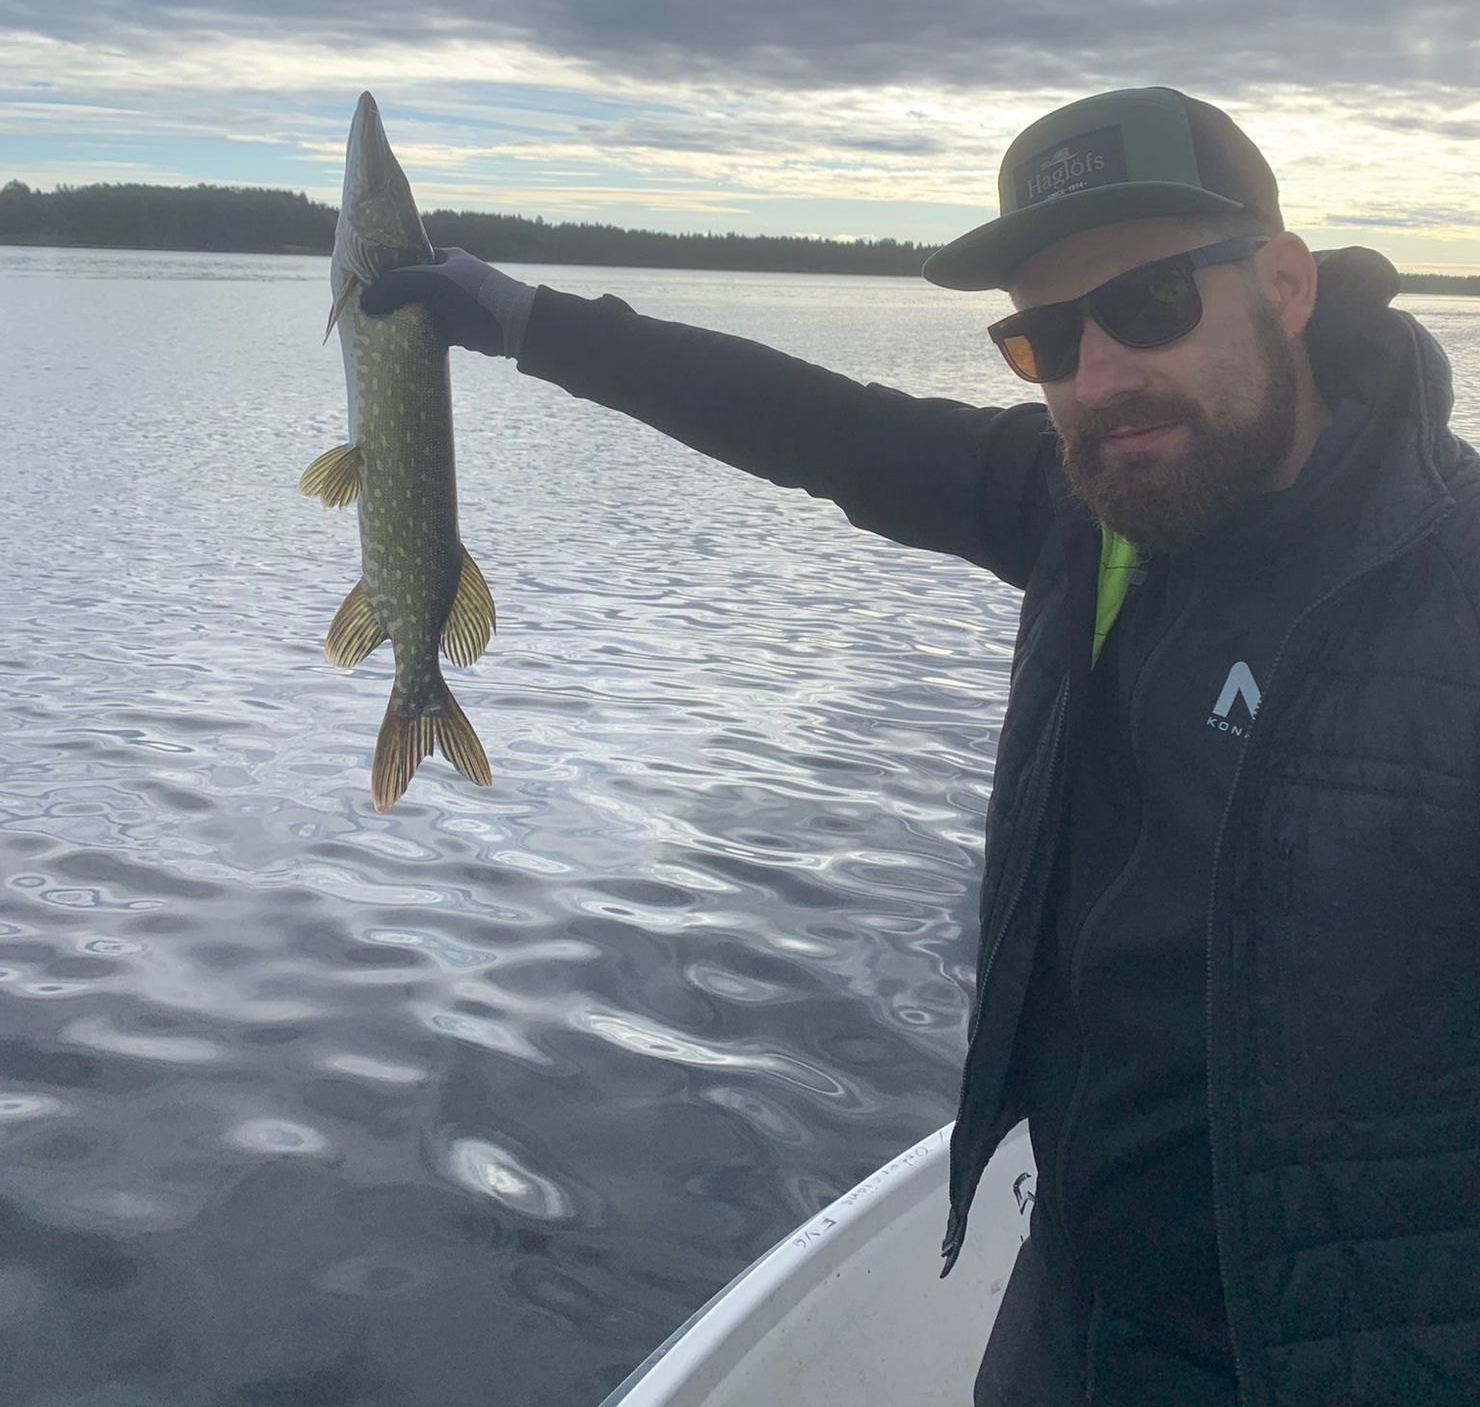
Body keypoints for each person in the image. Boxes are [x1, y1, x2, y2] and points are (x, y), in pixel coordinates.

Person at [362, 86, 1480, 1406]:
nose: (1099, 376)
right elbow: (826, 426)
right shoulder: (1091, 507)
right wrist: (525, 322)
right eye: (1046, 337)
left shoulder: (1454, 584)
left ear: (1284, 284)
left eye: (1153, 302)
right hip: (1079, 1306)